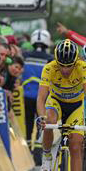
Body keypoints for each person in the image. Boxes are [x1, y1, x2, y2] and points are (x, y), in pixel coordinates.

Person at [36, 39, 86, 171]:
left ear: (75, 62)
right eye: (62, 66)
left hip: (76, 106)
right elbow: (41, 98)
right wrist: (41, 118)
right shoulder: (49, 68)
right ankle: (46, 156)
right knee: (49, 120)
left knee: (76, 145)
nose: (65, 70)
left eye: (69, 66)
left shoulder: (83, 67)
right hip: (56, 102)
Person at [22, 29, 53, 157]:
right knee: (41, 123)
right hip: (42, 97)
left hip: (26, 96)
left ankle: (28, 150)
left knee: (28, 123)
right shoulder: (50, 59)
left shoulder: (25, 56)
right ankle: (38, 153)